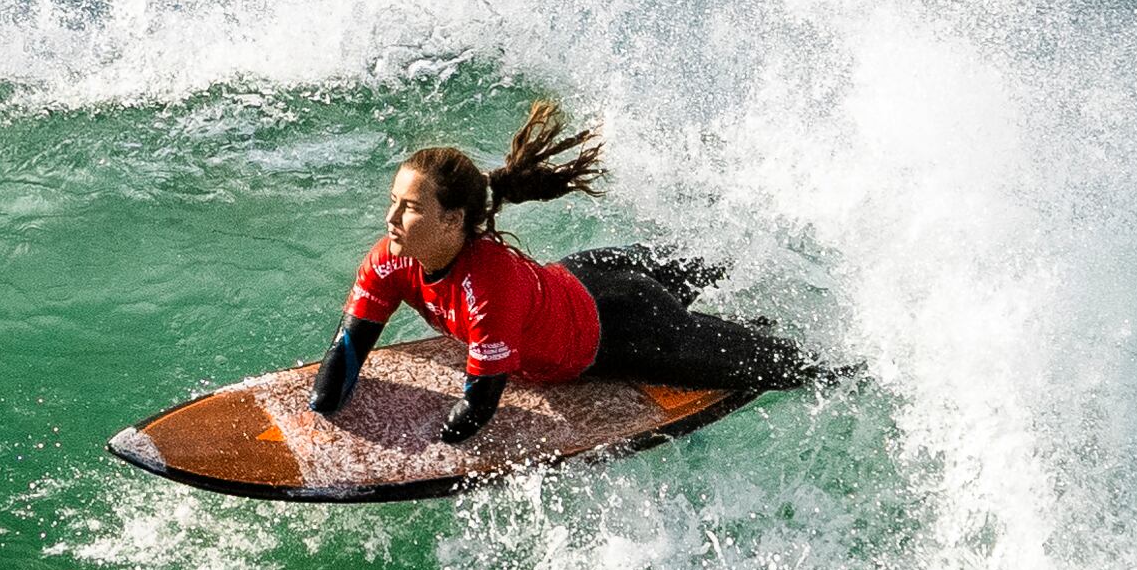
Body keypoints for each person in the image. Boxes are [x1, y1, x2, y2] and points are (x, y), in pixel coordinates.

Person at [307, 100, 834, 445]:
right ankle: (753, 316)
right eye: (394, 201)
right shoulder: (390, 258)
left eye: (409, 208)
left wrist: (423, 449)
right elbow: (348, 350)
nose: (391, 218)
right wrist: (322, 406)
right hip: (587, 272)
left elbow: (477, 408)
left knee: (792, 366)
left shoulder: (488, 286)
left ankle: (855, 351)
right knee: (719, 259)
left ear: (453, 220)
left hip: (626, 328)